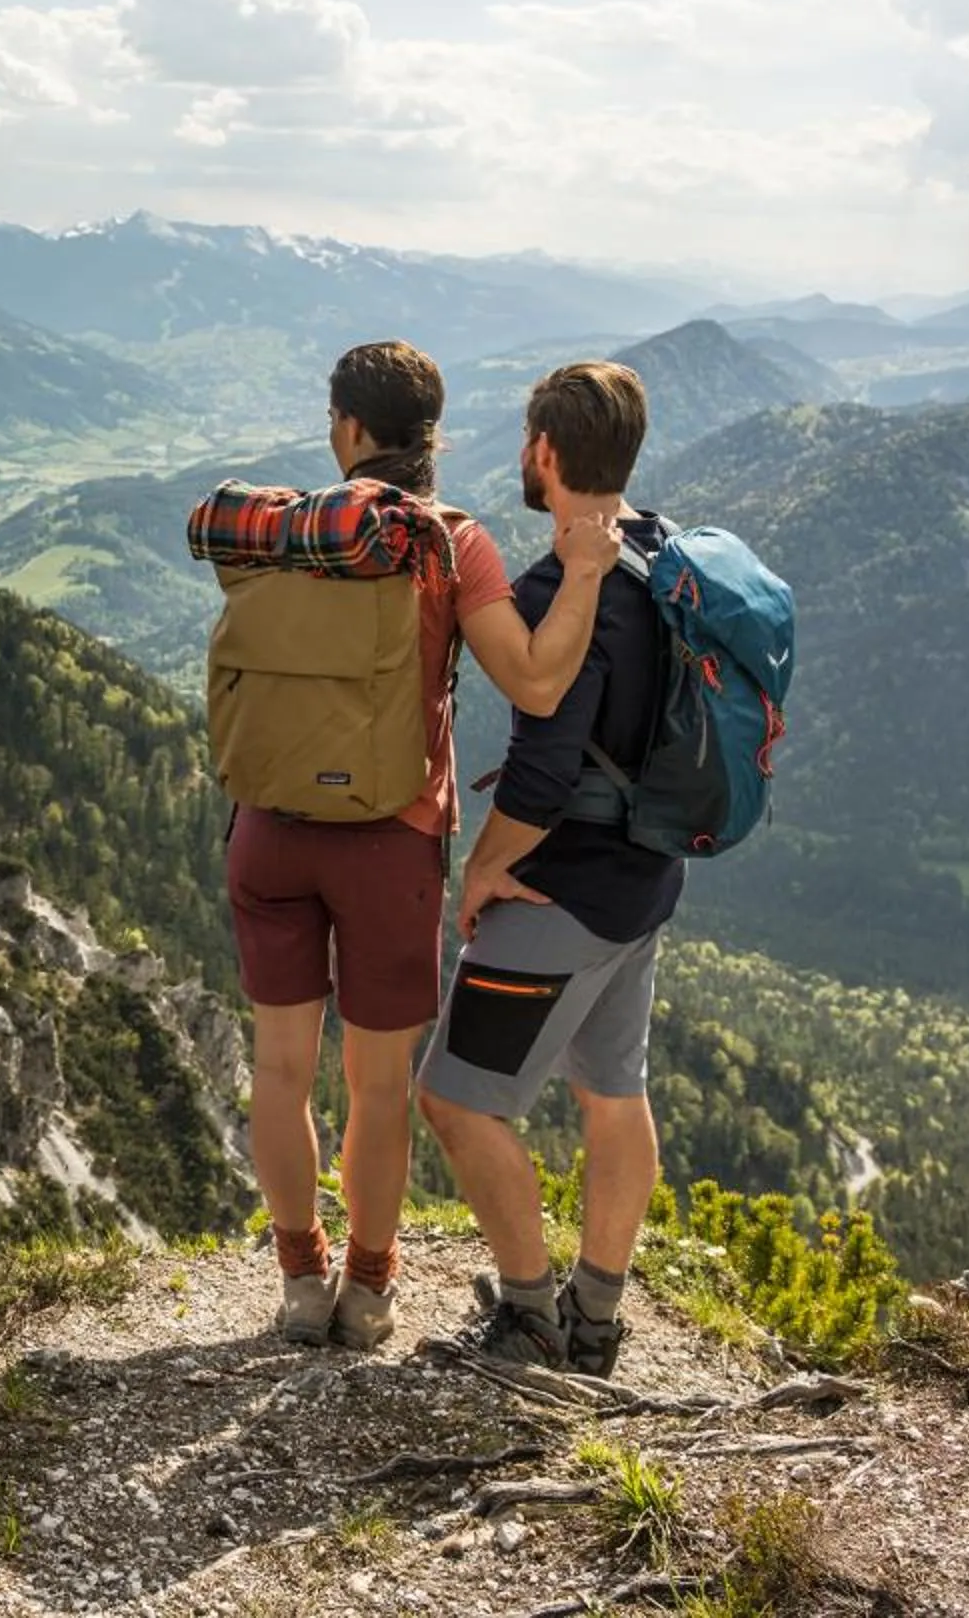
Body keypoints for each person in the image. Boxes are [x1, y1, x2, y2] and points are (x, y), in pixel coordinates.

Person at [191, 340, 617, 1349]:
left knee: (281, 1067)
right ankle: (368, 1288)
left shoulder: (287, 534)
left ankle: (300, 1276)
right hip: (389, 839)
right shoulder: (448, 541)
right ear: (435, 435)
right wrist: (587, 574)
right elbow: (538, 683)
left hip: (267, 831)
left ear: (345, 429)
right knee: (376, 1085)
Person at [418, 359, 685, 1378]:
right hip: (646, 882)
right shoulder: (660, 555)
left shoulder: (558, 596)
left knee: (456, 1099)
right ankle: (597, 1319)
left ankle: (531, 1316)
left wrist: (480, 871)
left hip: (563, 892)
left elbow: (539, 773)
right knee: (615, 1090)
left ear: (544, 453)